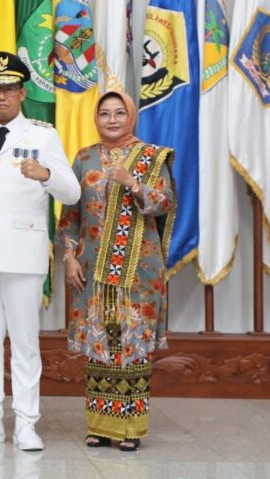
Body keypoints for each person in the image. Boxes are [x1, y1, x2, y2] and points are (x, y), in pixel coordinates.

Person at [0, 52, 80, 451]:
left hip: (23, 255)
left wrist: (47, 175)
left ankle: (26, 422)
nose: (0, 96)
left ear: (23, 92)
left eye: (7, 88)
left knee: (25, 343)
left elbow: (72, 192)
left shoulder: (42, 136)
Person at [57, 90, 175, 452]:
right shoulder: (85, 157)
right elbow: (70, 215)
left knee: (132, 345)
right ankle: (100, 426)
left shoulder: (152, 157)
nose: (111, 119)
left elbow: (164, 203)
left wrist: (133, 183)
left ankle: (130, 429)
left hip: (139, 271)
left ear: (131, 116)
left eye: (119, 112)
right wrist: (68, 257)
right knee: (100, 346)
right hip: (91, 268)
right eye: (105, 112)